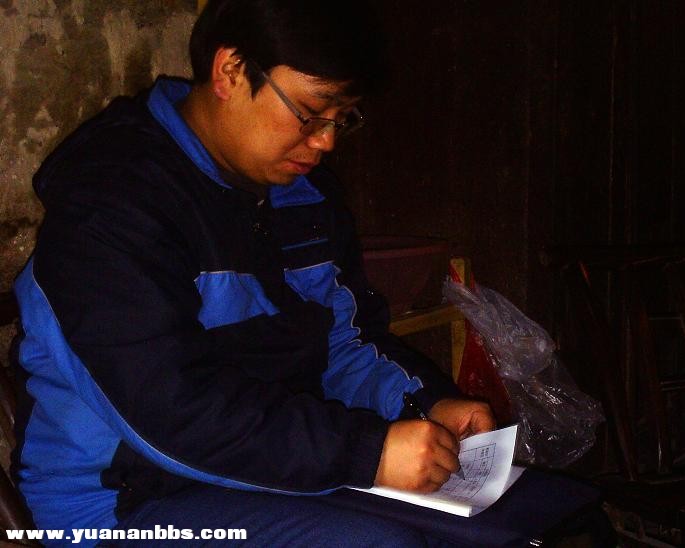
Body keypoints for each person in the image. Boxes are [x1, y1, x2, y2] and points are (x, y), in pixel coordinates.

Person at [12, 1, 498, 545]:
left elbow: (344, 344)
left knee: (496, 528)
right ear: (231, 71)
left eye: (342, 117)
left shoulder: (302, 197)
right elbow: (170, 413)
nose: (326, 140)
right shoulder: (111, 203)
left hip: (263, 472)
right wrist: (368, 453)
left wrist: (426, 404)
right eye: (311, 112)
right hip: (120, 506)